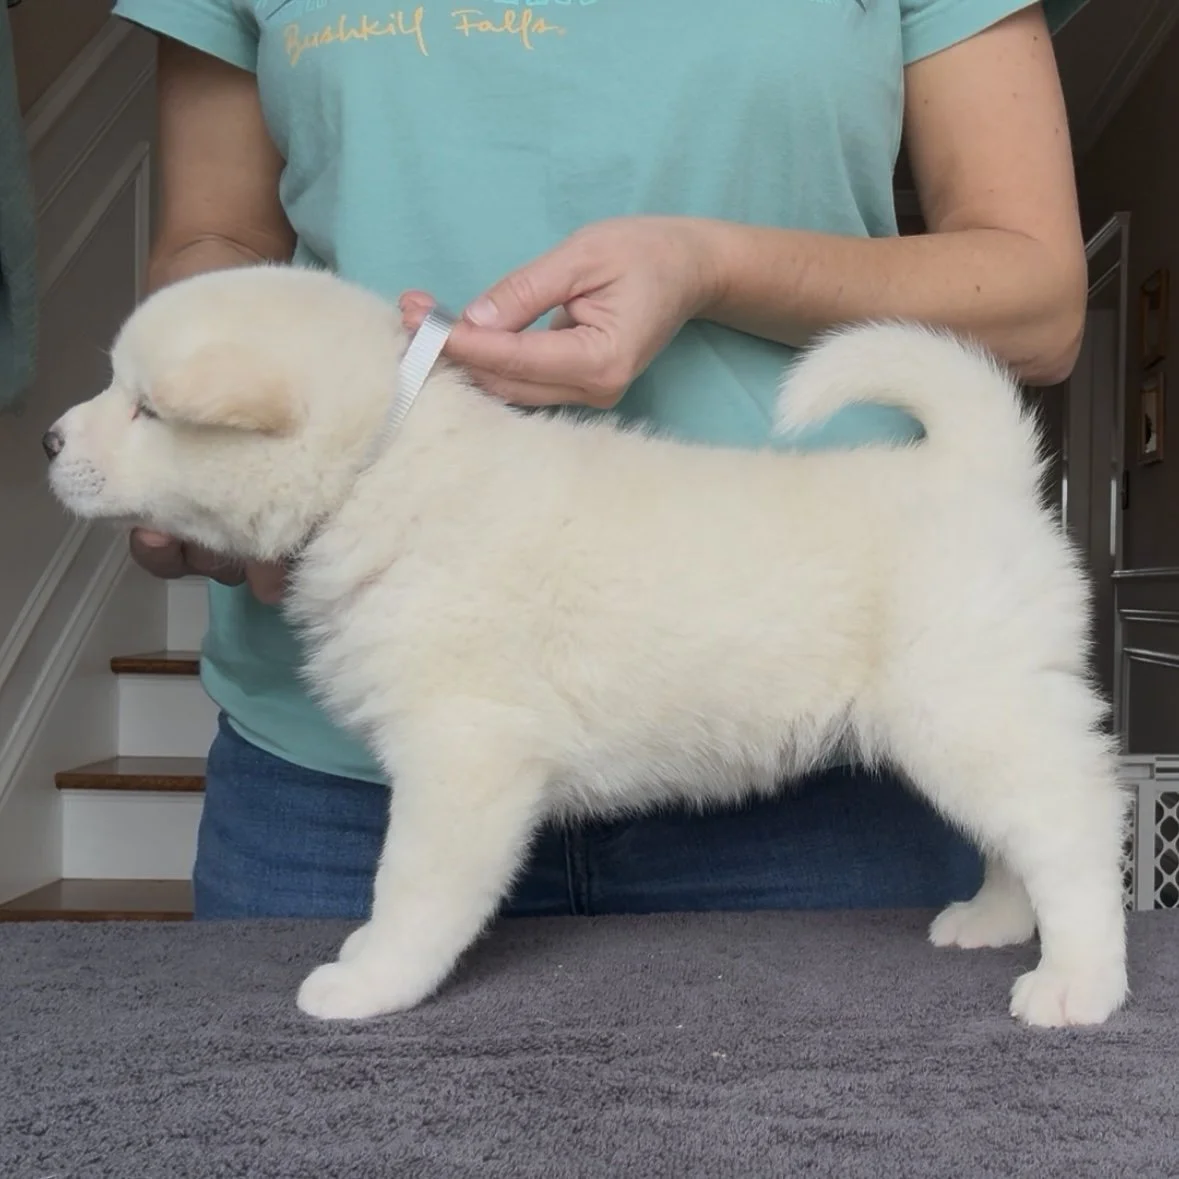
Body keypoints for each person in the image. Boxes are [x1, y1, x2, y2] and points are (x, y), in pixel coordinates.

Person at [111, 0, 1089, 920]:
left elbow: (1040, 305)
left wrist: (714, 266)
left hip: (808, 750)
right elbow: (216, 235)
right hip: (345, 767)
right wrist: (186, 423)